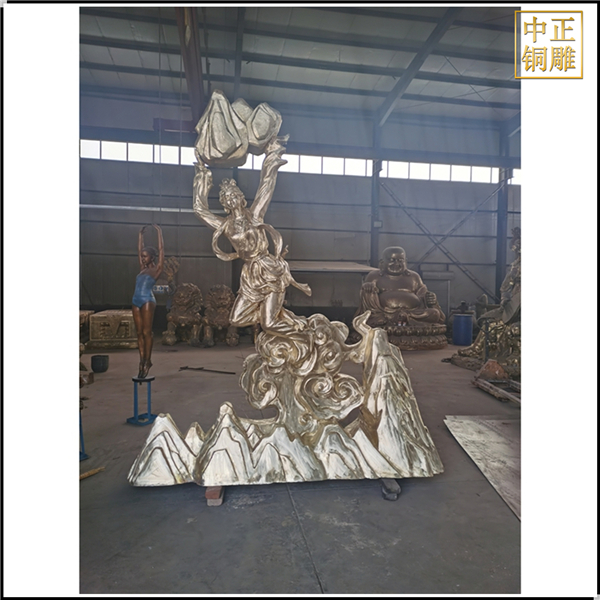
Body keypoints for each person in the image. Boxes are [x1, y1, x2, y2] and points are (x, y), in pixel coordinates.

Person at [192, 135, 311, 336]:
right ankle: (281, 317)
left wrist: (271, 156)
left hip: (268, 269)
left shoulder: (255, 215)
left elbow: (266, 185)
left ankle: (304, 336)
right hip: (250, 275)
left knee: (269, 325)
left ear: (241, 198)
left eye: (234, 195)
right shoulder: (225, 226)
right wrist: (202, 177)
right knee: (236, 319)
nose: (231, 199)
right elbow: (200, 210)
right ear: (224, 204)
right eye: (226, 198)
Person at [359, 246, 445, 326]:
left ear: (405, 262)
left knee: (434, 313)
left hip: (412, 313)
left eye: (400, 260)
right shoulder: (374, 276)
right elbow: (367, 301)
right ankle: (397, 320)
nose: (396, 263)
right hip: (385, 313)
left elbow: (423, 295)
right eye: (392, 260)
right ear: (382, 263)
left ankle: (403, 319)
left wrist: (431, 300)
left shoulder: (414, 277)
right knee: (373, 317)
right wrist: (367, 288)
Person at [132, 224, 164, 378]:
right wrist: (140, 236)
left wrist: (159, 233)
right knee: (139, 333)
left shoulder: (156, 269)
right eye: (142, 256)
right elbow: (139, 250)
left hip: (147, 301)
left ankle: (148, 360)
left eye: (145, 256)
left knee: (146, 332)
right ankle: (141, 360)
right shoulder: (142, 269)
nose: (143, 258)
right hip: (135, 300)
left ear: (152, 257)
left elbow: (162, 250)